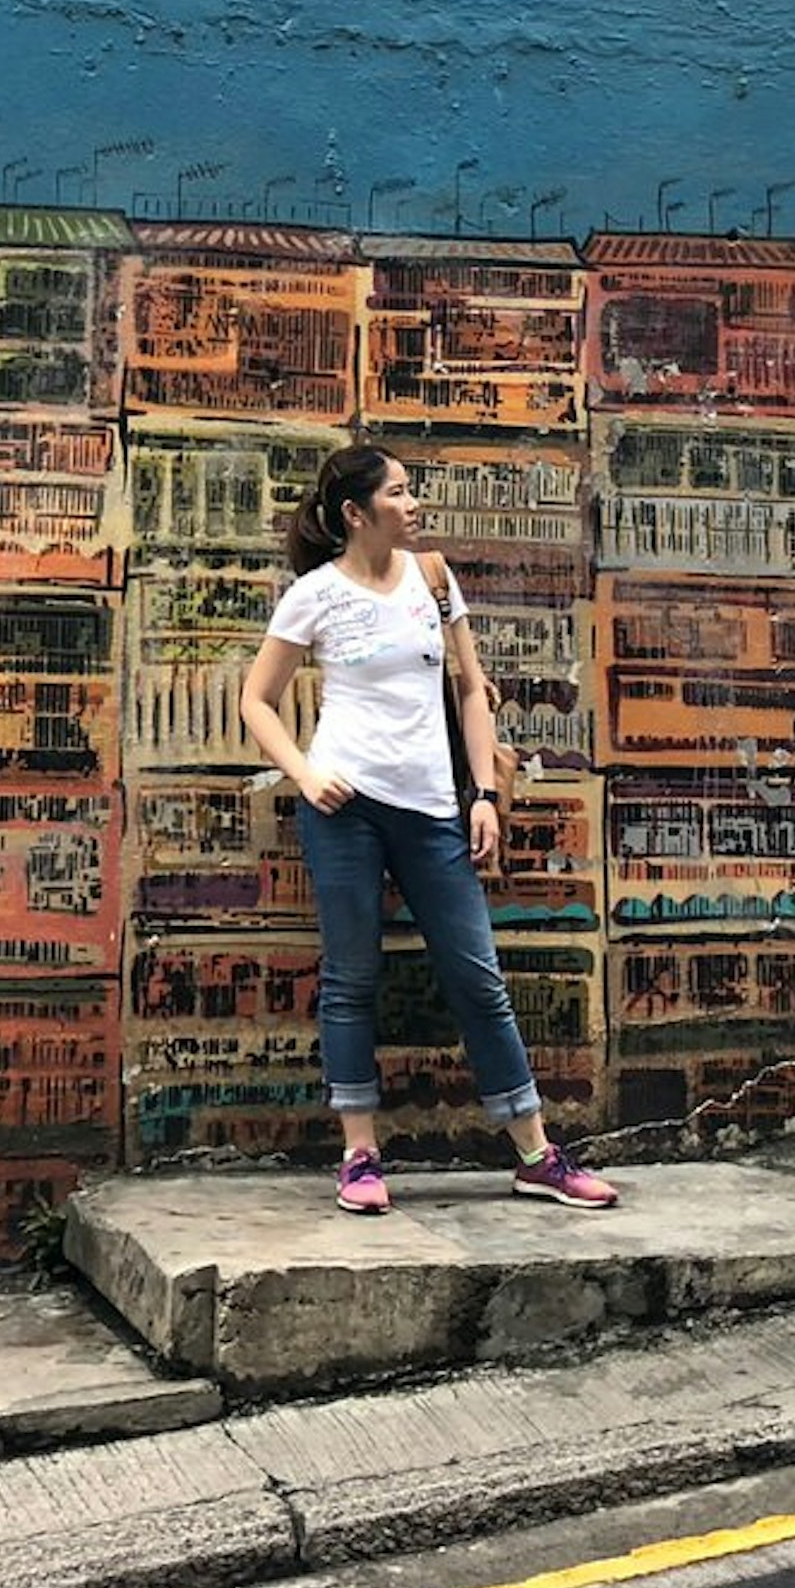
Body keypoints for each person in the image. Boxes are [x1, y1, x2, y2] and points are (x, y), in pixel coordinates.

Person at [238, 444, 619, 1215]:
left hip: (433, 810)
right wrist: (306, 775)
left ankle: (536, 1154)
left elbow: (473, 691)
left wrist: (481, 793)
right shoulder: (314, 595)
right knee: (351, 979)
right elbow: (256, 700)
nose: (414, 505)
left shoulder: (433, 579)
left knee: (478, 979)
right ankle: (359, 1156)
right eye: (400, 493)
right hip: (345, 809)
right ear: (356, 513)